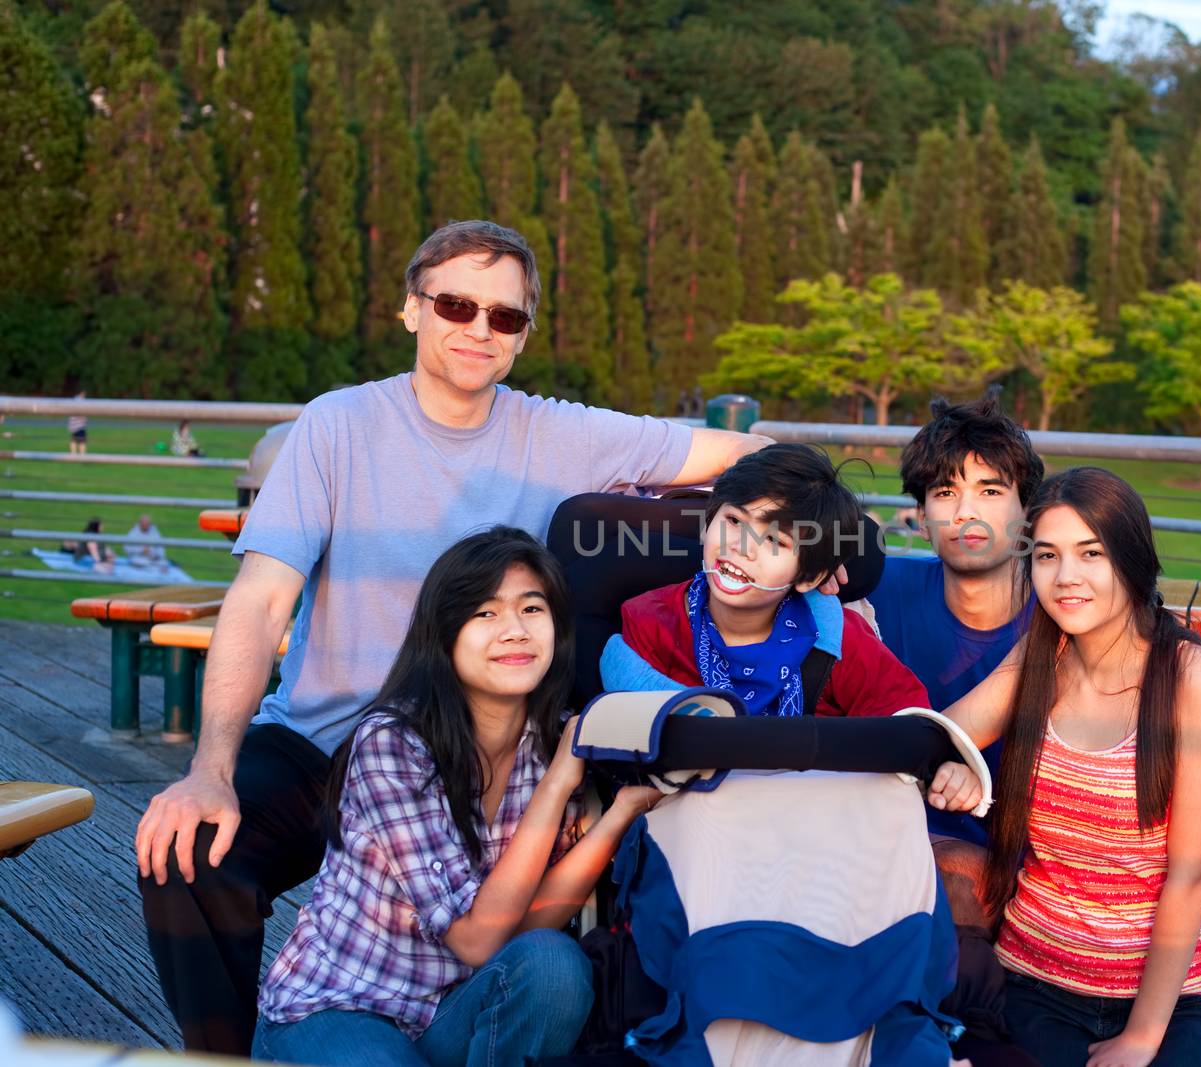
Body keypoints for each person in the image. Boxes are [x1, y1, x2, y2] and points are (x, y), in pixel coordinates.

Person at [134, 219, 771, 1055]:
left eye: (504, 317)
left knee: (542, 944)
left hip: (471, 757)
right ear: (412, 309)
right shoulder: (336, 426)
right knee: (188, 852)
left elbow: (741, 450)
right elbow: (258, 601)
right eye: (457, 304)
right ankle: (224, 1054)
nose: (479, 328)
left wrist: (799, 529)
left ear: (522, 337)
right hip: (324, 743)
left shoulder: (558, 433)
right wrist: (210, 769)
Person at [253, 527, 654, 1066]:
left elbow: (527, 926)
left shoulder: (556, 741)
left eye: (532, 609)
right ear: (444, 635)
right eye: (485, 613)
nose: (514, 630)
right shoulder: (394, 743)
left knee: (554, 964)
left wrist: (616, 816)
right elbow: (476, 941)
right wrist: (558, 784)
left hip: (456, 1008)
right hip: (342, 1006)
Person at [929, 468, 1201, 1067]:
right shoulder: (1041, 656)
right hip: (1032, 979)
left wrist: (1141, 1040)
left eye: (1090, 553)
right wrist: (962, 760)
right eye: (1046, 556)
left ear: (1130, 559)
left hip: (1167, 1000)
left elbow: (1191, 877)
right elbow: (941, 734)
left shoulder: (1193, 680)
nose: (1066, 577)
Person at [600, 443, 929, 717]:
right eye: (733, 520)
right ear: (706, 524)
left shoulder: (839, 642)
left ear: (810, 576)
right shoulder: (650, 623)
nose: (742, 547)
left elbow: (908, 720)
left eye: (775, 541)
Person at [869, 396, 1043, 871]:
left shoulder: (1061, 614)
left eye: (990, 491)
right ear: (922, 519)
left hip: (1019, 864)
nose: (966, 511)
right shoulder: (877, 593)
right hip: (887, 835)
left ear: (1027, 513)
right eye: (946, 493)